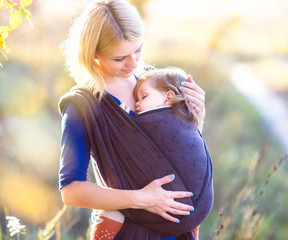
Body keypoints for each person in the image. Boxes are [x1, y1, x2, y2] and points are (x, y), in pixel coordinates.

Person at [58, 0, 207, 239]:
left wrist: (196, 115)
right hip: (127, 229)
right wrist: (141, 200)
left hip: (179, 230)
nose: (134, 63)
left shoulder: (154, 83)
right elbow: (71, 190)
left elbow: (178, 152)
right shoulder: (82, 105)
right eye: (120, 58)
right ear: (94, 56)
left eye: (138, 50)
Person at [91, 67, 214, 240]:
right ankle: (192, 230)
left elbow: (132, 147)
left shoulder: (158, 122)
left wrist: (126, 121)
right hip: (200, 207)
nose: (137, 104)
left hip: (175, 208)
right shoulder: (185, 119)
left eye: (144, 96)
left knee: (113, 210)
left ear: (168, 97)